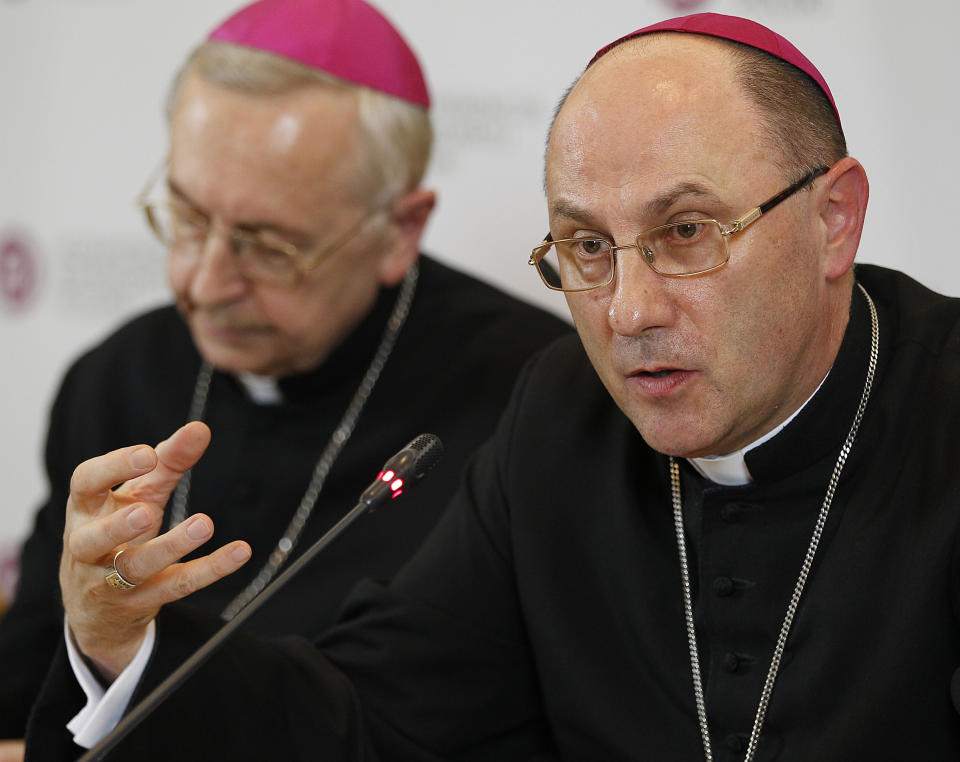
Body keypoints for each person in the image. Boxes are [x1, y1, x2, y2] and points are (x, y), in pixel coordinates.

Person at [25, 11, 960, 761]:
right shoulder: (561, 416)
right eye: (588, 247)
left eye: (685, 232)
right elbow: (373, 723)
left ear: (835, 220)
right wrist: (120, 641)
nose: (629, 312)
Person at [0, 0, 571, 756]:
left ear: (399, 230)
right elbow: (21, 692)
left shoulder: (534, 400)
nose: (204, 283)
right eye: (188, 217)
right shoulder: (116, 377)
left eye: (268, 247)